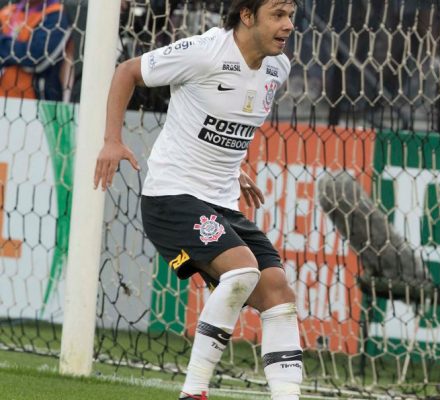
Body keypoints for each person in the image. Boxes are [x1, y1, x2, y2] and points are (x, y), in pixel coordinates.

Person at [92, 1, 302, 399]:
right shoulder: (205, 52)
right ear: (246, 15)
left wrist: (235, 167)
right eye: (278, 14)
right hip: (170, 199)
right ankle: (193, 392)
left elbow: (226, 122)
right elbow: (127, 72)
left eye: (291, 15)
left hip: (221, 203)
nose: (288, 25)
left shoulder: (278, 69)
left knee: (277, 291)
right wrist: (112, 141)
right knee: (243, 271)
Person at [0, 0, 73, 101]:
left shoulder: (57, 15)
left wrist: (3, 46)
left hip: (39, 106)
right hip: (3, 101)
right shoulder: (7, 12)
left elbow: (36, 58)